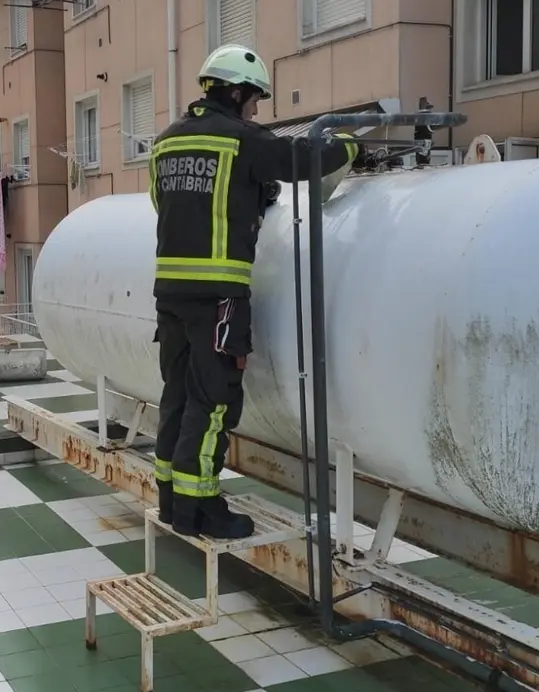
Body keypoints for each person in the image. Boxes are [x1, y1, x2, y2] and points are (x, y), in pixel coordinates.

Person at [150, 44, 363, 539]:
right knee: (215, 400)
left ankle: (170, 501)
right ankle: (199, 509)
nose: (256, 111)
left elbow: (168, 202)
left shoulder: (165, 143)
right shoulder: (241, 139)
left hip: (170, 294)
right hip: (219, 296)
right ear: (239, 91)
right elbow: (302, 160)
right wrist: (350, 145)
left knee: (177, 397)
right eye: (255, 100)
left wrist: (249, 193)